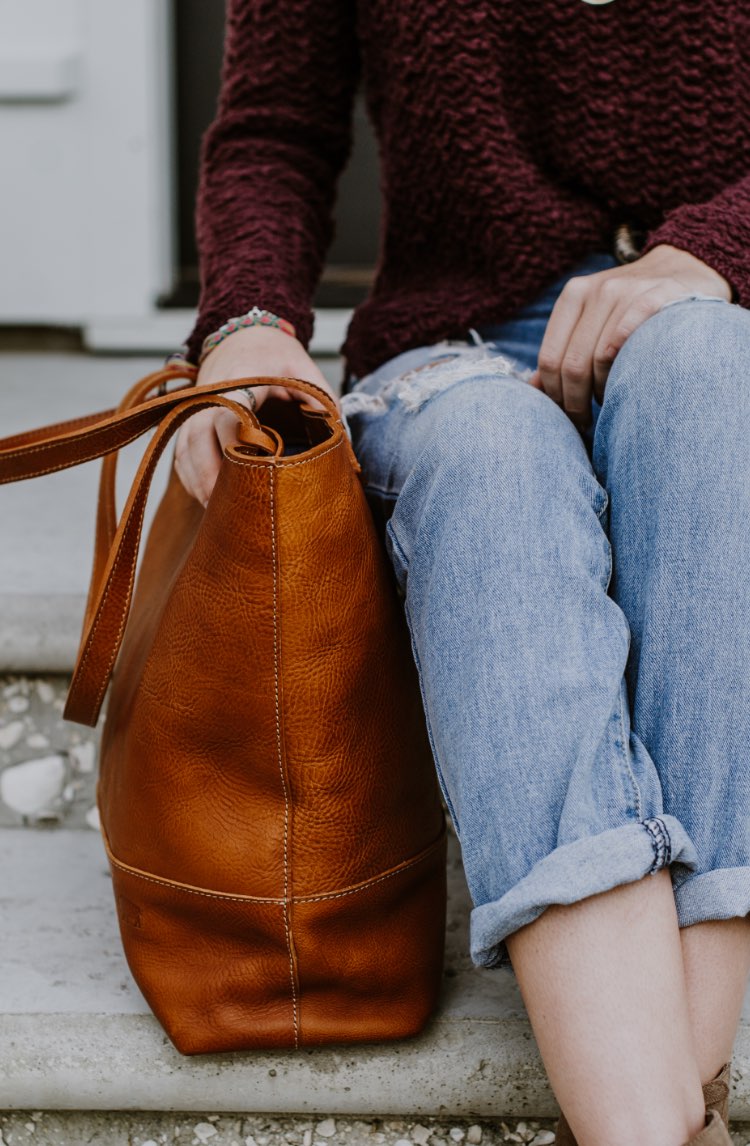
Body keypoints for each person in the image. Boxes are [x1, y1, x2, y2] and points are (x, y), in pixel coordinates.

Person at [173, 2, 750, 1142]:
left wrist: (712, 255)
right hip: (460, 344)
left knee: (701, 373)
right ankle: (664, 1121)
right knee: (491, 454)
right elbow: (272, 134)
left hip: (725, 319)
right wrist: (247, 319)